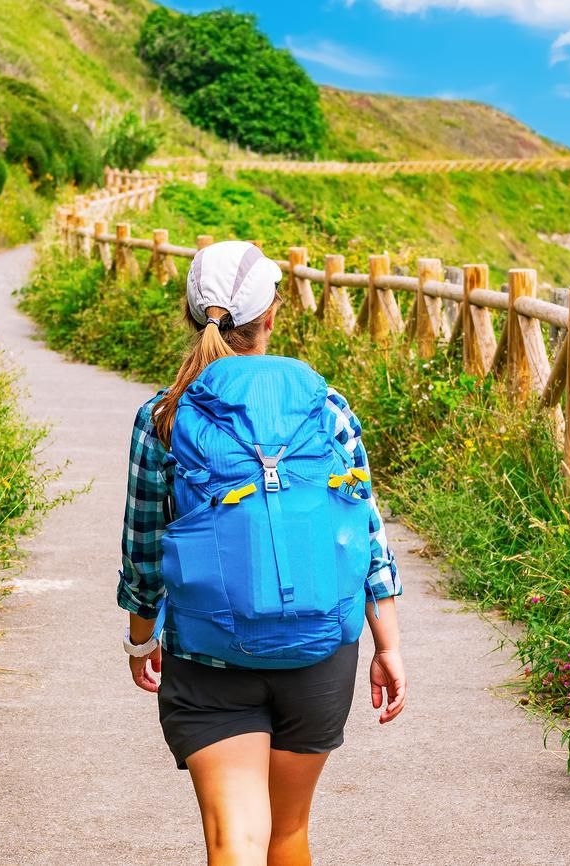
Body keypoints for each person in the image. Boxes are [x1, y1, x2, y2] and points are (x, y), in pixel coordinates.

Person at [118, 240, 406, 866]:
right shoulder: (326, 408)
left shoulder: (162, 417)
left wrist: (142, 640)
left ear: (192, 317)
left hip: (207, 652)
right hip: (318, 652)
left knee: (235, 840)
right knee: (288, 833)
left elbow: (144, 553)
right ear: (272, 317)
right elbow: (366, 534)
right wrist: (388, 647)